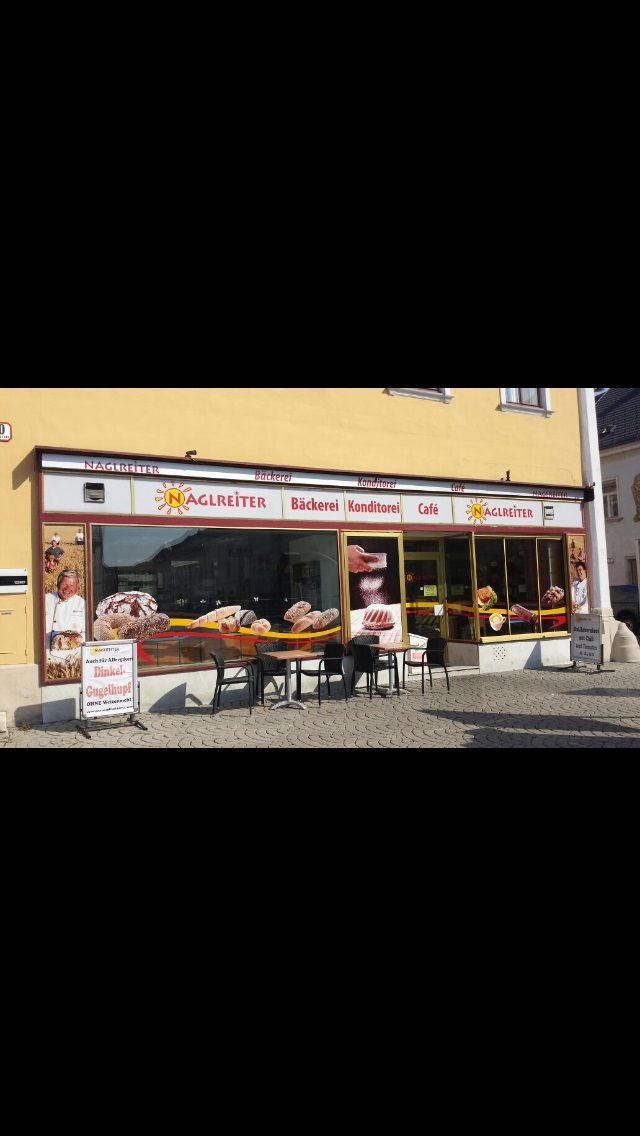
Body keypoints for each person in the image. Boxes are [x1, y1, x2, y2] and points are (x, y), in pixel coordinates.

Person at [45, 568, 86, 649]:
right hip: (47, 652)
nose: (67, 588)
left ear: (77, 587)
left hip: (73, 654)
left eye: (72, 585)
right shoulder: (45, 600)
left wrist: (73, 641)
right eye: (64, 584)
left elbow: (87, 631)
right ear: (57, 584)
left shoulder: (82, 603)